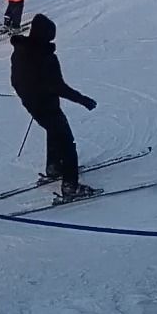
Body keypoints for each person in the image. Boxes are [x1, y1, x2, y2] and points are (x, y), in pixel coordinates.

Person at [9, 14, 98, 200]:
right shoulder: (45, 57)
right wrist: (83, 100)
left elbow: (15, 80)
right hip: (45, 104)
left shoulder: (20, 51)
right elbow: (58, 87)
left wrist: (27, 96)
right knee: (67, 142)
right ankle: (70, 186)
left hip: (32, 103)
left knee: (53, 130)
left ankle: (54, 167)